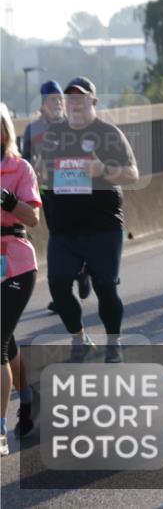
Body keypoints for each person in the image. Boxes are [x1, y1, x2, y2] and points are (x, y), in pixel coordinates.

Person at [36, 77, 140, 362]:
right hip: (64, 228)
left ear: (93, 102)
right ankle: (79, 338)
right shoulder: (54, 134)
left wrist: (102, 169)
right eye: (70, 99)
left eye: (80, 98)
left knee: (106, 286)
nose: (75, 104)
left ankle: (113, 342)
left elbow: (132, 174)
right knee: (57, 286)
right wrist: (41, 173)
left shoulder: (108, 134)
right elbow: (43, 175)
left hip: (102, 225)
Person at [21, 80, 92, 310]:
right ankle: (66, 287)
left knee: (73, 234)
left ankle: (81, 270)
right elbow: (25, 160)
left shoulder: (72, 124)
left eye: (61, 98)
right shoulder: (33, 130)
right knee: (58, 237)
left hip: (72, 190)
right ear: (43, 103)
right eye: (53, 99)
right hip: (46, 192)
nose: (59, 103)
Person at [1, 103, 42, 456]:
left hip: (15, 262)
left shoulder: (20, 167)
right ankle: (28, 397)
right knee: (5, 341)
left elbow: (33, 219)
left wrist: (7, 199)